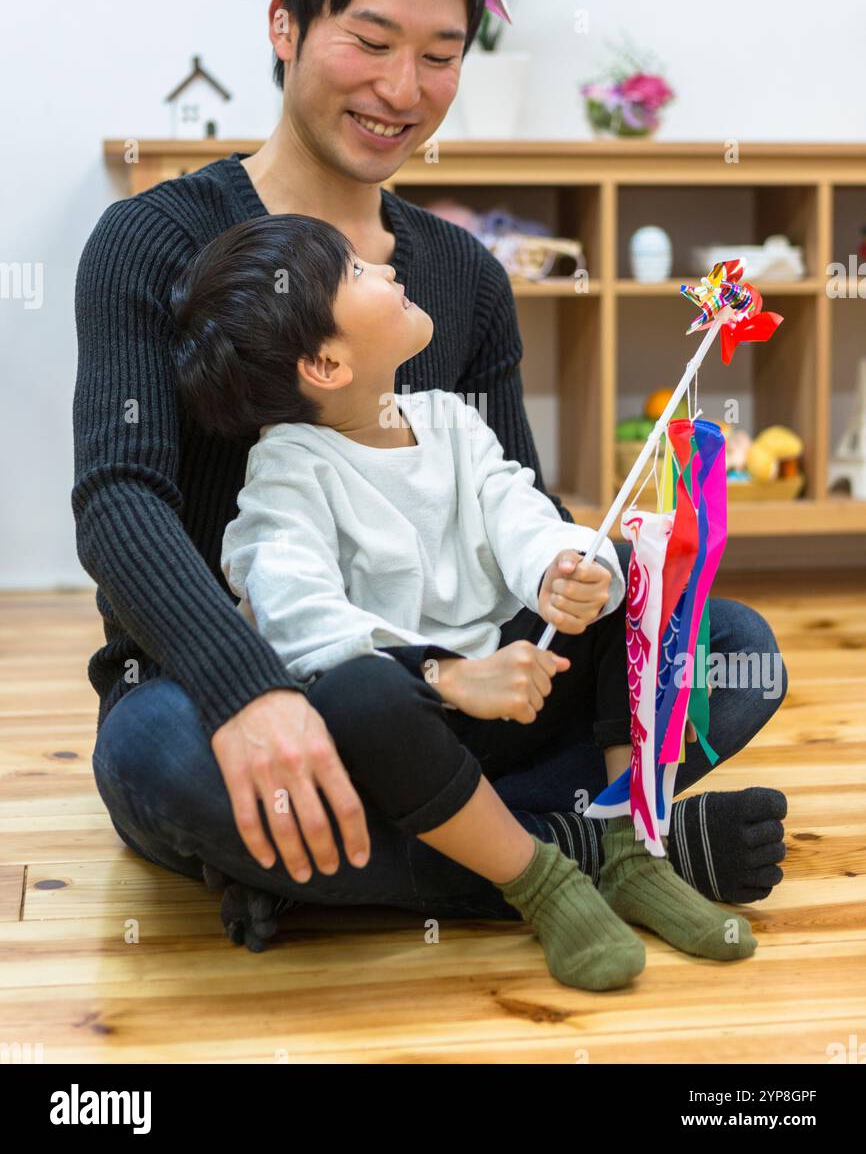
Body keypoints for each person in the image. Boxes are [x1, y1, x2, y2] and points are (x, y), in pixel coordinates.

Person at [73, 0, 787, 952]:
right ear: (283, 25)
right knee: (158, 761)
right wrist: (248, 689)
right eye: (369, 40)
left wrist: (579, 573)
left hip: (467, 685)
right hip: (250, 690)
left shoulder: (457, 276)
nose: (400, 90)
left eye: (440, 54)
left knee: (728, 648)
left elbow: (511, 496)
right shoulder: (152, 240)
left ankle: (345, 870)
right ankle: (584, 852)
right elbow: (121, 502)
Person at [165, 210, 759, 989]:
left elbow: (516, 507)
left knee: (626, 576)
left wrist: (558, 569)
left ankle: (629, 851)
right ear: (324, 363)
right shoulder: (288, 473)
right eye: (353, 271)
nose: (382, 266)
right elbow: (297, 621)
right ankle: (542, 880)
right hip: (411, 735)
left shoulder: (449, 419)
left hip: (522, 691)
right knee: (358, 693)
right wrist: (446, 678)